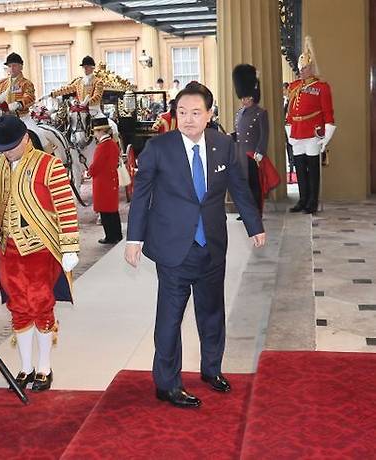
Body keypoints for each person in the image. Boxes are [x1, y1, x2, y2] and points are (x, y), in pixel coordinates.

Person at [124, 82, 266, 408]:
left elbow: (239, 188)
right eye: (182, 113)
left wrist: (254, 225)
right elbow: (142, 195)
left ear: (209, 114)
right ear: (175, 114)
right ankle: (167, 383)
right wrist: (134, 239)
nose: (188, 119)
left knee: (212, 313)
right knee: (170, 318)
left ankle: (211, 369)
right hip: (174, 249)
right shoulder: (159, 148)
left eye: (196, 113)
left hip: (212, 245)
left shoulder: (223, 145)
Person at [0, 115, 80, 392]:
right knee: (18, 307)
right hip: (6, 249)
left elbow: (65, 206)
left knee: (40, 304)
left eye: (11, 146)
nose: (6, 152)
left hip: (39, 248)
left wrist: (70, 245)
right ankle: (25, 366)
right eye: (2, 147)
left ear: (25, 138)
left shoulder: (49, 165)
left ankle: (44, 366)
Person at [286, 36, 336, 214]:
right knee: (299, 167)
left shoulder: (322, 87)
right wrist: (290, 129)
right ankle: (303, 199)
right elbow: (290, 109)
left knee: (312, 168)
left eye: (305, 68)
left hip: (313, 132)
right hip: (297, 131)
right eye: (301, 69)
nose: (302, 71)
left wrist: (327, 134)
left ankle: (313, 201)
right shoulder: (295, 86)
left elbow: (328, 112)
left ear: (311, 68)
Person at [232, 64, 269, 215]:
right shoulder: (239, 112)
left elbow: (264, 134)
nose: (244, 100)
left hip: (253, 154)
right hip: (240, 153)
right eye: (242, 98)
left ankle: (256, 211)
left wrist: (260, 151)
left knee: (254, 184)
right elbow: (238, 132)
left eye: (247, 97)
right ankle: (246, 211)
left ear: (253, 96)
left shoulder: (260, 113)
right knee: (242, 184)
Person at [89, 117, 122, 244]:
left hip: (103, 183)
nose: (95, 135)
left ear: (101, 131)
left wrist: (89, 171)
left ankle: (110, 236)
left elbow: (96, 166)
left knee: (105, 211)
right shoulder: (112, 143)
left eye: (96, 132)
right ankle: (116, 234)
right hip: (110, 180)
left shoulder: (102, 146)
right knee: (112, 210)